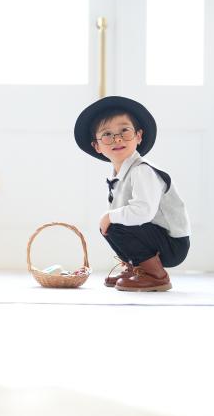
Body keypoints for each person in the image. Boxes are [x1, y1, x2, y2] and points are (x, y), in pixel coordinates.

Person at [73, 96, 190, 292]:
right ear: (97, 146)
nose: (117, 139)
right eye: (107, 134)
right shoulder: (120, 174)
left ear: (139, 136)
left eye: (124, 131)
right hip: (153, 237)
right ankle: (137, 267)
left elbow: (143, 212)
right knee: (110, 225)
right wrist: (109, 218)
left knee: (114, 222)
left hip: (172, 244)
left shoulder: (142, 170)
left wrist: (109, 217)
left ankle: (156, 275)